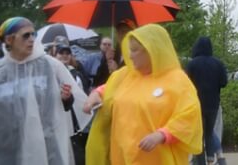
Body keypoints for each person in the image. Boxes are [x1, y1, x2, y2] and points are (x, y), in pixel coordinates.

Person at [0, 17, 86, 164]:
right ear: (9, 40)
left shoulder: (48, 67)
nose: (32, 39)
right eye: (26, 35)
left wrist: (65, 98)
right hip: (7, 153)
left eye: (33, 34)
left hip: (45, 152)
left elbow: (61, 105)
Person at [83, 23, 201, 165]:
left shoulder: (178, 80)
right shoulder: (126, 75)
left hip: (158, 159)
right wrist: (95, 96)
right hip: (122, 158)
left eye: (134, 50)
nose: (130, 55)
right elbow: (107, 90)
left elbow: (189, 115)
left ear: (152, 51)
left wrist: (163, 134)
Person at [186, 36, 228, 165]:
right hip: (213, 104)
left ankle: (199, 162)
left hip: (196, 104)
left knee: (198, 134)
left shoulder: (192, 63)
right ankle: (212, 160)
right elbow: (224, 82)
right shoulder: (218, 63)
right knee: (209, 132)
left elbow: (186, 84)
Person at [92, 19, 136, 88]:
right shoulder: (112, 54)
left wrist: (117, 71)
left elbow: (133, 81)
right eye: (118, 32)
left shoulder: (136, 55)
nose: (121, 35)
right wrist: (105, 61)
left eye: (124, 31)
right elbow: (98, 81)